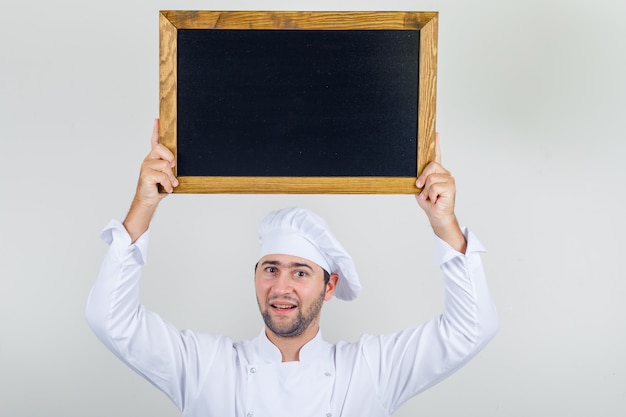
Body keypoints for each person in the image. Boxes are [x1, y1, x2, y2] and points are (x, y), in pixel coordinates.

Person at [86, 119, 499, 416]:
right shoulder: (204, 365)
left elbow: (471, 329)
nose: (281, 286)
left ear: (329, 285)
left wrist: (443, 222)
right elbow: (110, 318)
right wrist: (144, 204)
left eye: (301, 272)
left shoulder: (371, 369)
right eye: (270, 268)